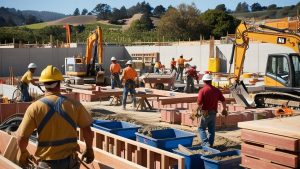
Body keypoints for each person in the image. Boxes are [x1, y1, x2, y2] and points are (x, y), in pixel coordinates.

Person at [16, 65, 94, 169]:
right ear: (59, 83)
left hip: (47, 164)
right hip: (70, 163)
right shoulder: (75, 105)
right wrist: (89, 149)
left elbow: (22, 137)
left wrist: (23, 152)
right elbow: (87, 130)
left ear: (44, 84)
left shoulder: (34, 108)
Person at [194, 72, 227, 147]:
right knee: (211, 130)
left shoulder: (202, 90)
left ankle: (206, 143)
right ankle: (210, 144)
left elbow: (199, 103)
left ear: (204, 81)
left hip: (205, 113)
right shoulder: (216, 90)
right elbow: (223, 100)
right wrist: (223, 109)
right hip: (214, 113)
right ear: (211, 81)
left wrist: (196, 112)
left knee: (201, 128)